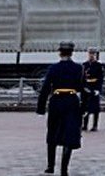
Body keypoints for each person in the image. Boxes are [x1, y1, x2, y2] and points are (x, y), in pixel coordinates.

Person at [36, 41, 84, 175]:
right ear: (72, 53)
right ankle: (64, 170)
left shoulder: (53, 68)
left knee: (52, 133)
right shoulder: (78, 68)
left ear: (60, 53)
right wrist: (84, 108)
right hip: (71, 102)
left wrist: (40, 108)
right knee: (69, 134)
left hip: (56, 102)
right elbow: (81, 88)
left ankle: (50, 166)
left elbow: (45, 88)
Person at [80, 48, 104, 132]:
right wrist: (83, 87)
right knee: (85, 107)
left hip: (94, 87)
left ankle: (95, 125)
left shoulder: (98, 65)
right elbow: (82, 77)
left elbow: (100, 78)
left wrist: (98, 89)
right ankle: (85, 125)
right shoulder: (84, 64)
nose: (91, 55)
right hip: (86, 87)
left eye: (93, 54)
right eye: (90, 54)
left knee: (95, 108)